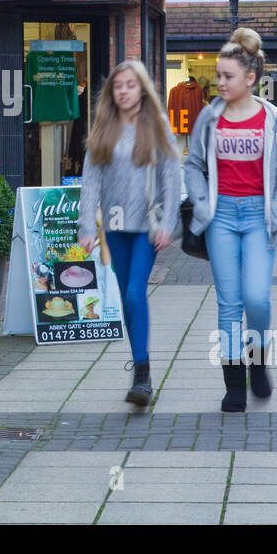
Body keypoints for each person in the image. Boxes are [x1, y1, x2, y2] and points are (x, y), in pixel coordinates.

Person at [184, 28, 277, 412]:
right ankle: (234, 384)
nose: (219, 82)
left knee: (257, 299)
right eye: (218, 75)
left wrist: (276, 206)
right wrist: (202, 205)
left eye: (227, 76)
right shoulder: (209, 118)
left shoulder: (273, 118)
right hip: (220, 217)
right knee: (229, 302)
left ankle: (260, 358)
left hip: (256, 217)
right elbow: (194, 165)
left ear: (250, 79)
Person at [77, 60, 180, 407]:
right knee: (124, 298)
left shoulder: (157, 125)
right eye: (118, 85)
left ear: (142, 89)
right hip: (115, 227)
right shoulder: (103, 126)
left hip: (147, 227)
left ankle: (142, 374)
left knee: (136, 293)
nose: (123, 90)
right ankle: (140, 366)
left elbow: (171, 175)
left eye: (130, 85)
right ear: (111, 92)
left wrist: (168, 223)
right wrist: (86, 227)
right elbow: (90, 181)